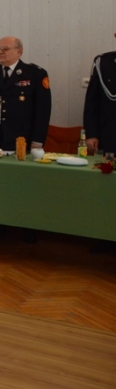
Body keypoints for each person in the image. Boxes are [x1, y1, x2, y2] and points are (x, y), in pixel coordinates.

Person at [0, 37, 51, 152]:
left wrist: (37, 140)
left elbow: (43, 111)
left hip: (22, 139)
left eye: (5, 49)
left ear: (19, 51)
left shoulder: (35, 74)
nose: (0, 52)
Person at [83, 33, 116, 254]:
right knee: (107, 190)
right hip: (109, 136)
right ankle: (107, 236)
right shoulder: (103, 62)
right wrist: (92, 133)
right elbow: (92, 100)